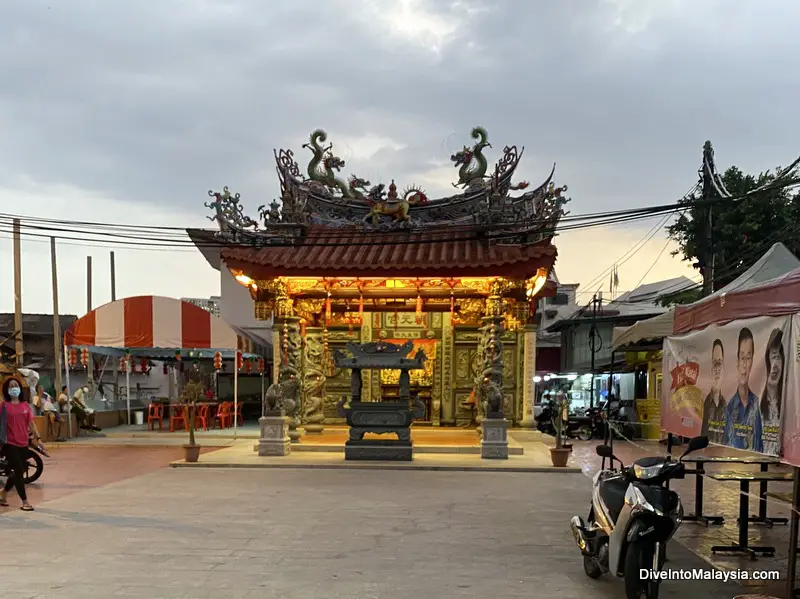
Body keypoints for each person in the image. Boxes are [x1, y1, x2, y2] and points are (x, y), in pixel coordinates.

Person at [0, 377, 41, 511]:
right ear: (7, 389)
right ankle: (25, 501)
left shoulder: (25, 405)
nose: (14, 388)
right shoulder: (4, 406)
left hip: (23, 442)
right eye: (11, 386)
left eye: (16, 385)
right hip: (9, 443)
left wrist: (38, 439)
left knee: (21, 469)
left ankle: (4, 493)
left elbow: (31, 423)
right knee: (18, 470)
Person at [724, 327, 763, 452]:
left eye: (749, 357)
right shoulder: (730, 408)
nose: (745, 365)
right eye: (742, 358)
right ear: (737, 361)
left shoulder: (758, 405)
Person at [760, 328, 784, 456]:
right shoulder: (757, 406)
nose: (775, 365)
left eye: (779, 357)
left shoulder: (789, 404)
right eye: (773, 356)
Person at [701, 339, 727, 444]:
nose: (717, 369)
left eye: (719, 363)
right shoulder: (704, 403)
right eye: (714, 363)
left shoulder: (726, 406)